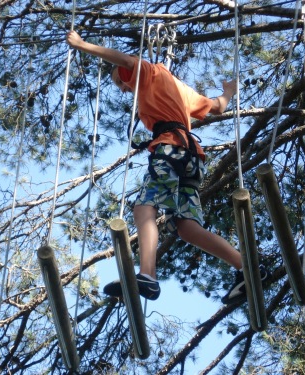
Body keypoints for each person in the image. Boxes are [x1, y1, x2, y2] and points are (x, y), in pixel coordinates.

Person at [66, 30, 267, 304]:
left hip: (170, 149)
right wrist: (229, 91)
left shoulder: (150, 73)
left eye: (121, 83)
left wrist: (81, 45)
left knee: (144, 207)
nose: (125, 88)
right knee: (185, 226)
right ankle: (245, 266)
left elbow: (125, 62)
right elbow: (218, 107)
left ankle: (147, 276)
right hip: (191, 158)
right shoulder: (183, 91)